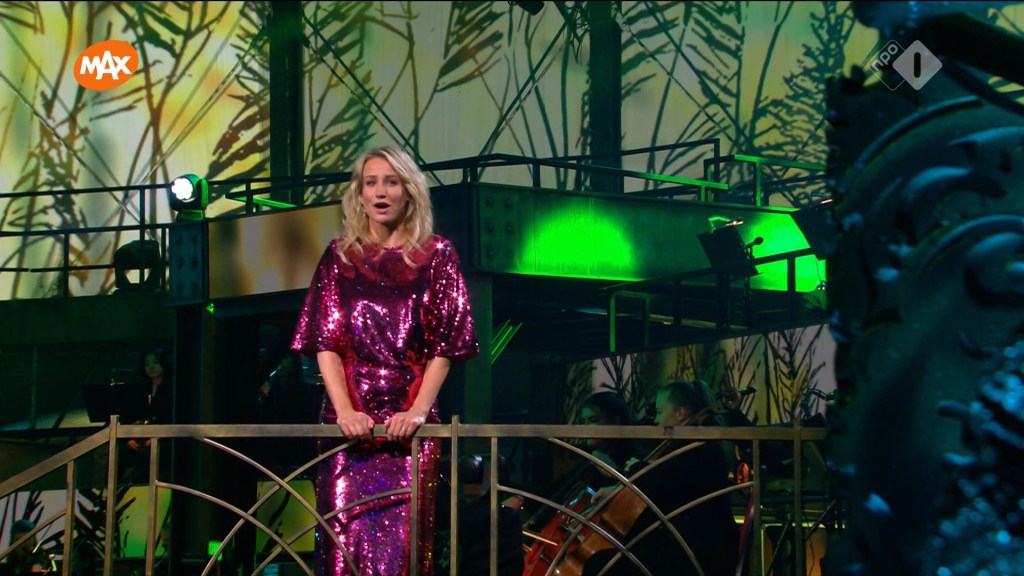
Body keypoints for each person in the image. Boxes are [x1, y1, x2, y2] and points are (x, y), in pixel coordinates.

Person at [291, 146, 479, 576]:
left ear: (408, 191)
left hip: (408, 429)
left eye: (391, 182)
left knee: (402, 553)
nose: (380, 192)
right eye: (371, 182)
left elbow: (445, 348)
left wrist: (417, 412)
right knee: (344, 551)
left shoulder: (438, 256)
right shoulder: (339, 257)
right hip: (347, 429)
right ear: (358, 194)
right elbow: (325, 344)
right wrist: (345, 411)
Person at [581, 380, 741, 576]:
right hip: (686, 545)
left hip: (698, 554)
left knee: (600, 565)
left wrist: (638, 469)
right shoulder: (691, 448)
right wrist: (619, 490)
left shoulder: (699, 450)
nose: (656, 420)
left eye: (659, 412)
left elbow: (665, 486)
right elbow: (664, 490)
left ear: (681, 413)